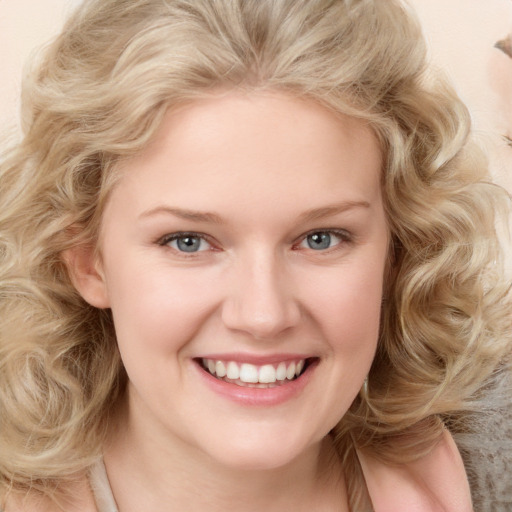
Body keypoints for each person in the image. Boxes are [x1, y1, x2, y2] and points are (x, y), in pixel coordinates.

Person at [0, 0, 510, 510]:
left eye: (321, 238)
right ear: (88, 260)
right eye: (188, 242)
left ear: (397, 252)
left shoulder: (490, 456)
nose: (263, 315)